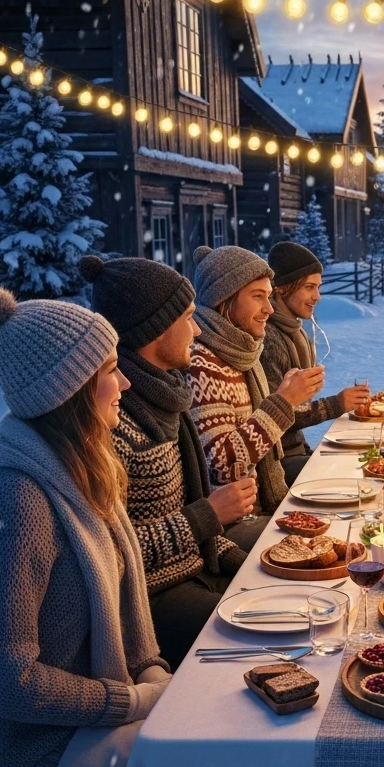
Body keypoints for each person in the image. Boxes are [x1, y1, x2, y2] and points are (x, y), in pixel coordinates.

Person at [0, 288, 169, 767]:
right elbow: (11, 680)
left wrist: (157, 679)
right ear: (70, 390)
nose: (125, 383)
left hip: (93, 720)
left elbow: (131, 631)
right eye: (112, 371)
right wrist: (132, 703)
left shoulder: (85, 467)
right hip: (34, 757)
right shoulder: (22, 495)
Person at [80, 256, 254, 670]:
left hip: (194, 568)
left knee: (288, 597)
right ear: (155, 328)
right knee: (261, 647)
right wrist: (205, 517)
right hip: (151, 600)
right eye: (189, 318)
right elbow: (111, 553)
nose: (196, 330)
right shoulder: (114, 422)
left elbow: (187, 517)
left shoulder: (168, 397)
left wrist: (238, 557)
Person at [187, 245, 325, 524]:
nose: (268, 309)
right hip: (238, 523)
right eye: (258, 297)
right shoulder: (202, 365)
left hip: (260, 506)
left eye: (269, 297)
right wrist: (283, 402)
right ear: (224, 298)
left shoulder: (242, 353)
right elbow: (223, 468)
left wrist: (284, 402)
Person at [262, 241, 371, 485]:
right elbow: (277, 413)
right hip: (278, 462)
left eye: (318, 287)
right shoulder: (269, 339)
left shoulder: (293, 332)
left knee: (362, 460)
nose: (317, 296)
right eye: (309, 287)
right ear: (282, 288)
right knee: (356, 475)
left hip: (296, 450)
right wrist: (337, 404)